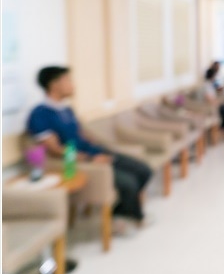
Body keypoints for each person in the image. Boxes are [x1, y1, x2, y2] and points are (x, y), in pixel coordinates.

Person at [26, 66, 152, 233]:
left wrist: (102, 149)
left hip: (95, 152)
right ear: (54, 85)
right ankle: (126, 217)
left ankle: (120, 212)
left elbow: (81, 135)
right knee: (128, 182)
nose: (73, 85)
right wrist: (90, 159)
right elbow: (55, 150)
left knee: (144, 170)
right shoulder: (40, 114)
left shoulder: (67, 109)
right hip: (79, 162)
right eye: (68, 80)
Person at [203, 67, 224, 138]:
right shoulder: (206, 86)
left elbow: (216, 93)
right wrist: (217, 102)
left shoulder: (210, 84)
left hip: (216, 103)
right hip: (212, 106)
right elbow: (209, 99)